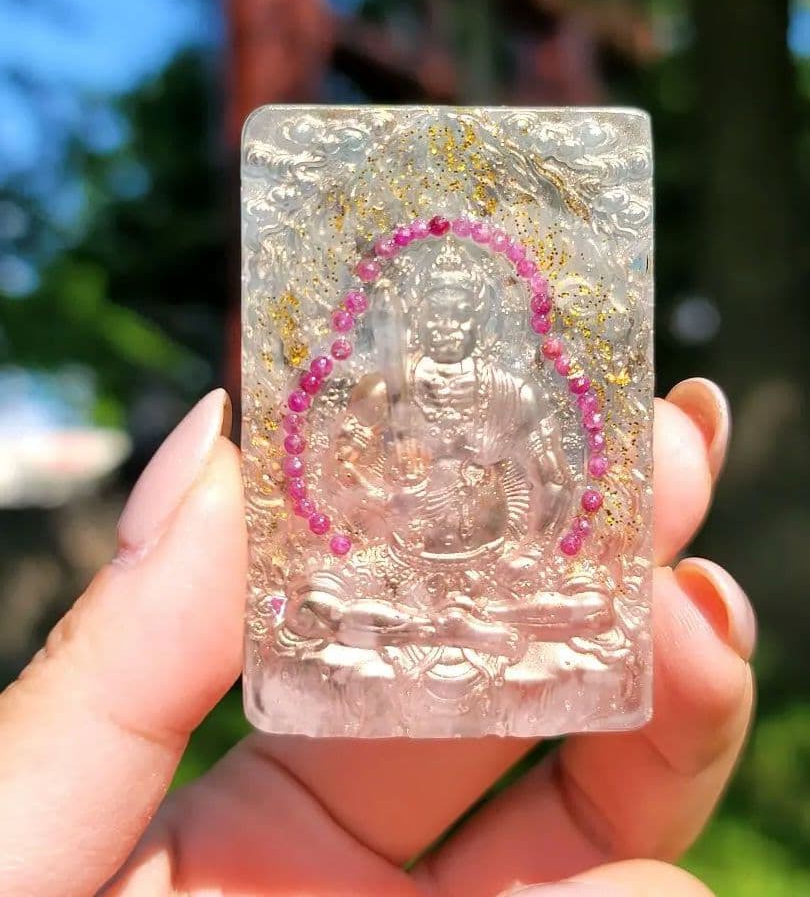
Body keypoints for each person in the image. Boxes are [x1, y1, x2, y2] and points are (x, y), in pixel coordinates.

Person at [0, 378, 754, 897]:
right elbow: (358, 503)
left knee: (591, 602)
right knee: (319, 600)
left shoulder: (509, 417)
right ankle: (452, 626)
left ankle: (469, 623)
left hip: (494, 577)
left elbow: (542, 493)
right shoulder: (389, 417)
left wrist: (518, 522)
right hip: (403, 585)